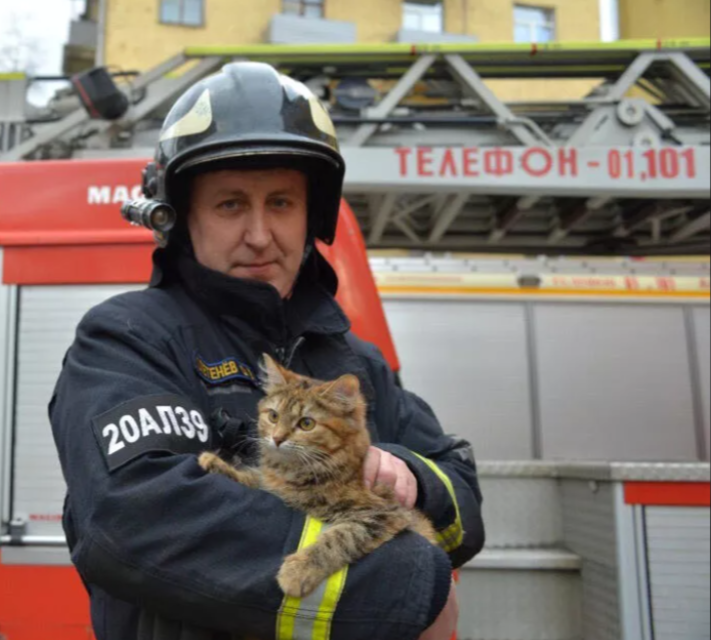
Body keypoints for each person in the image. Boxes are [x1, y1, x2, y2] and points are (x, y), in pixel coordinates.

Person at [49, 61, 484, 640]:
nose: (259, 234)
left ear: (312, 215)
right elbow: (140, 519)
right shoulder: (130, 337)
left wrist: (409, 475)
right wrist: (410, 585)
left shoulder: (355, 362)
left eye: (280, 203)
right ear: (182, 219)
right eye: (230, 205)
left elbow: (463, 500)